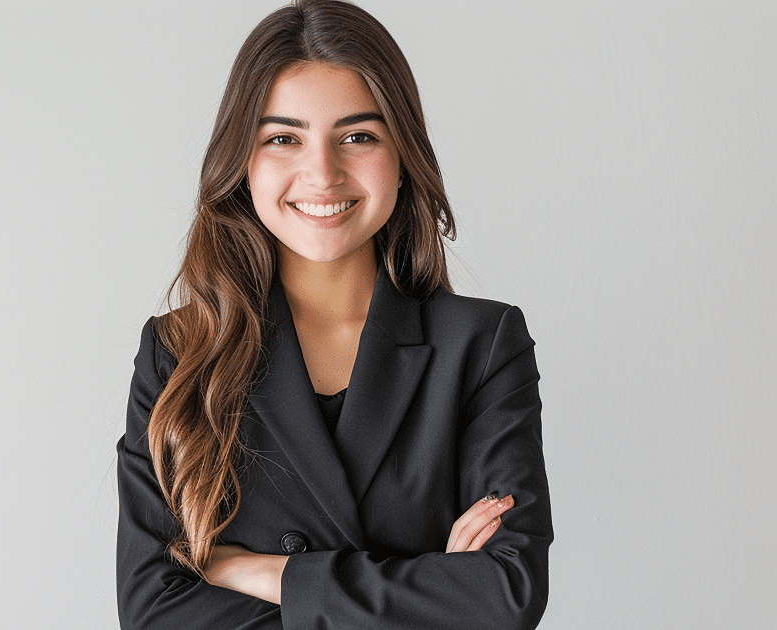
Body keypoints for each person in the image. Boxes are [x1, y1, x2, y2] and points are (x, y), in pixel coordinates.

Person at [115, 1, 553, 628]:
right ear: (242, 162)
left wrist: (268, 573)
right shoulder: (181, 351)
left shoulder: (481, 346)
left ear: (403, 155)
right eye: (283, 138)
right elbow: (153, 612)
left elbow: (503, 597)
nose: (321, 172)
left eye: (358, 136)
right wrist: (427, 595)